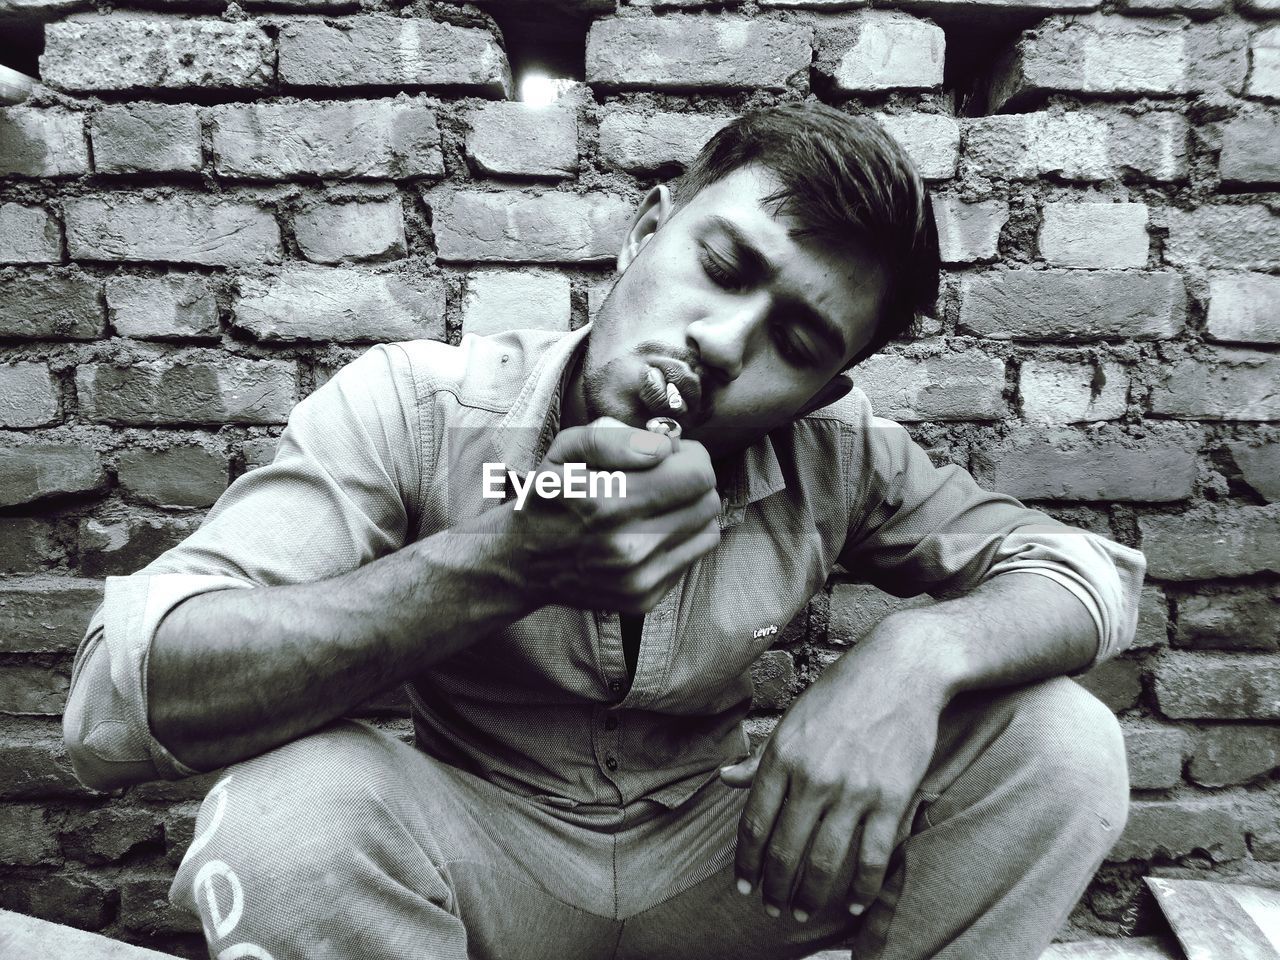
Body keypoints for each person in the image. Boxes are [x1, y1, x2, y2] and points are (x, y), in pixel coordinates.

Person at [63, 102, 1146, 960]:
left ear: (822, 389)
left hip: (719, 873)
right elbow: (124, 690)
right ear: (642, 232)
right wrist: (501, 559)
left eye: (798, 338)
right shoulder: (419, 406)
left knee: (1058, 742)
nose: (722, 343)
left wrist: (915, 657)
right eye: (723, 267)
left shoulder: (839, 450)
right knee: (284, 816)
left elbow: (1085, 576)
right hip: (477, 864)